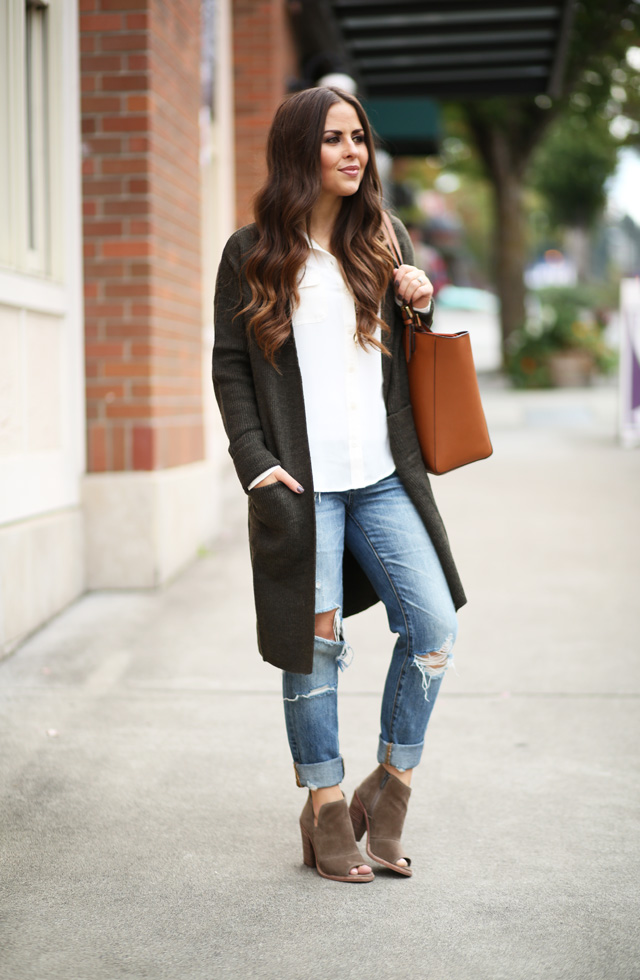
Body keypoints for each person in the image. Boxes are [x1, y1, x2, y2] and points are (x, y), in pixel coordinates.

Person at [212, 87, 466, 883]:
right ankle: (325, 806)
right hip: (304, 485)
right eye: (334, 139)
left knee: (432, 630)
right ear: (299, 152)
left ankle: (389, 787)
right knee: (312, 646)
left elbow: (397, 363)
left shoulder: (381, 240)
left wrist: (417, 301)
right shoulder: (251, 251)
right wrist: (256, 462)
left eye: (359, 137)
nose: (353, 151)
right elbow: (230, 366)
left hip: (385, 479)